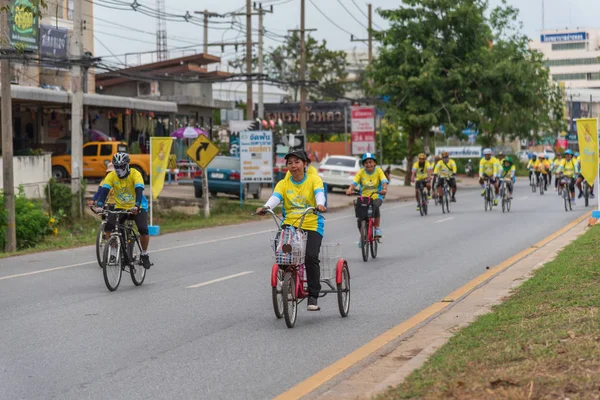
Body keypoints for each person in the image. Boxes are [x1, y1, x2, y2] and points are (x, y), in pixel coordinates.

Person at [257, 150, 326, 311]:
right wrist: (266, 207)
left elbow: (319, 194)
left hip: (312, 223)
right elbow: (275, 197)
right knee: (282, 254)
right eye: (290, 163)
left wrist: (320, 204)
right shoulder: (284, 183)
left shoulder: (314, 179)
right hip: (290, 224)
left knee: (310, 257)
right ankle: (289, 280)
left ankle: (313, 296)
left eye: (297, 162)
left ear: (305, 164)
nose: (293, 166)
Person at [95, 153, 152, 269]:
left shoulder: (135, 174)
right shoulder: (111, 176)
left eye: (121, 166)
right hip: (120, 206)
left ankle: (144, 254)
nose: (118, 169)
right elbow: (104, 191)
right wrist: (100, 205)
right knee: (109, 227)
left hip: (138, 206)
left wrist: (136, 205)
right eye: (116, 167)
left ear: (127, 165)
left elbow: (139, 190)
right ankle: (113, 251)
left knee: (143, 229)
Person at [346, 153, 388, 239]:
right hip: (364, 197)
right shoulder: (361, 172)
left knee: (375, 206)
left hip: (376, 196)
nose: (368, 164)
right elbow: (354, 182)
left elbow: (384, 180)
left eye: (370, 162)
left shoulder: (378, 171)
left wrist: (384, 189)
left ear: (374, 163)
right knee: (360, 218)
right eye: (366, 163)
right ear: (363, 164)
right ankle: (362, 237)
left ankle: (377, 228)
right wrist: (350, 189)